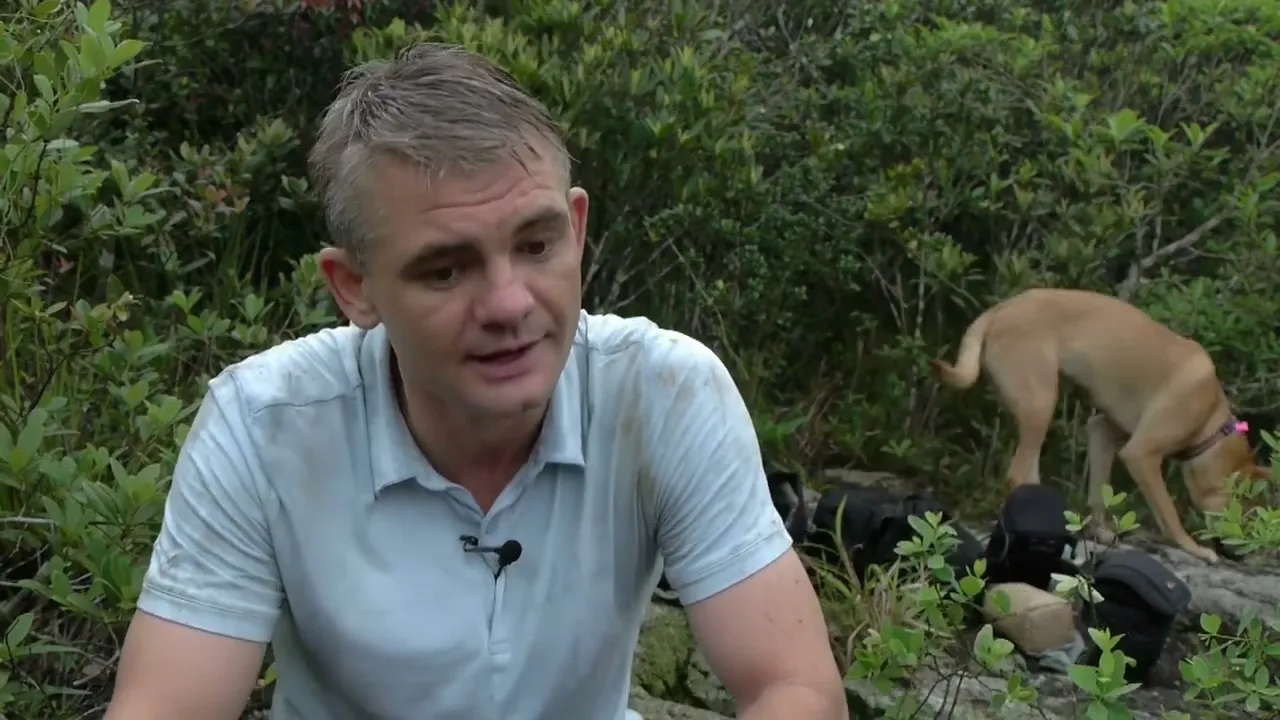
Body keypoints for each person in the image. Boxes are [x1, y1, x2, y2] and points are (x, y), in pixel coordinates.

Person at [103, 42, 846, 720]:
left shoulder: (662, 394)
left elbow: (794, 687)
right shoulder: (264, 427)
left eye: (536, 245)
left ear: (576, 229)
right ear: (354, 287)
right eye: (445, 270)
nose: (509, 305)